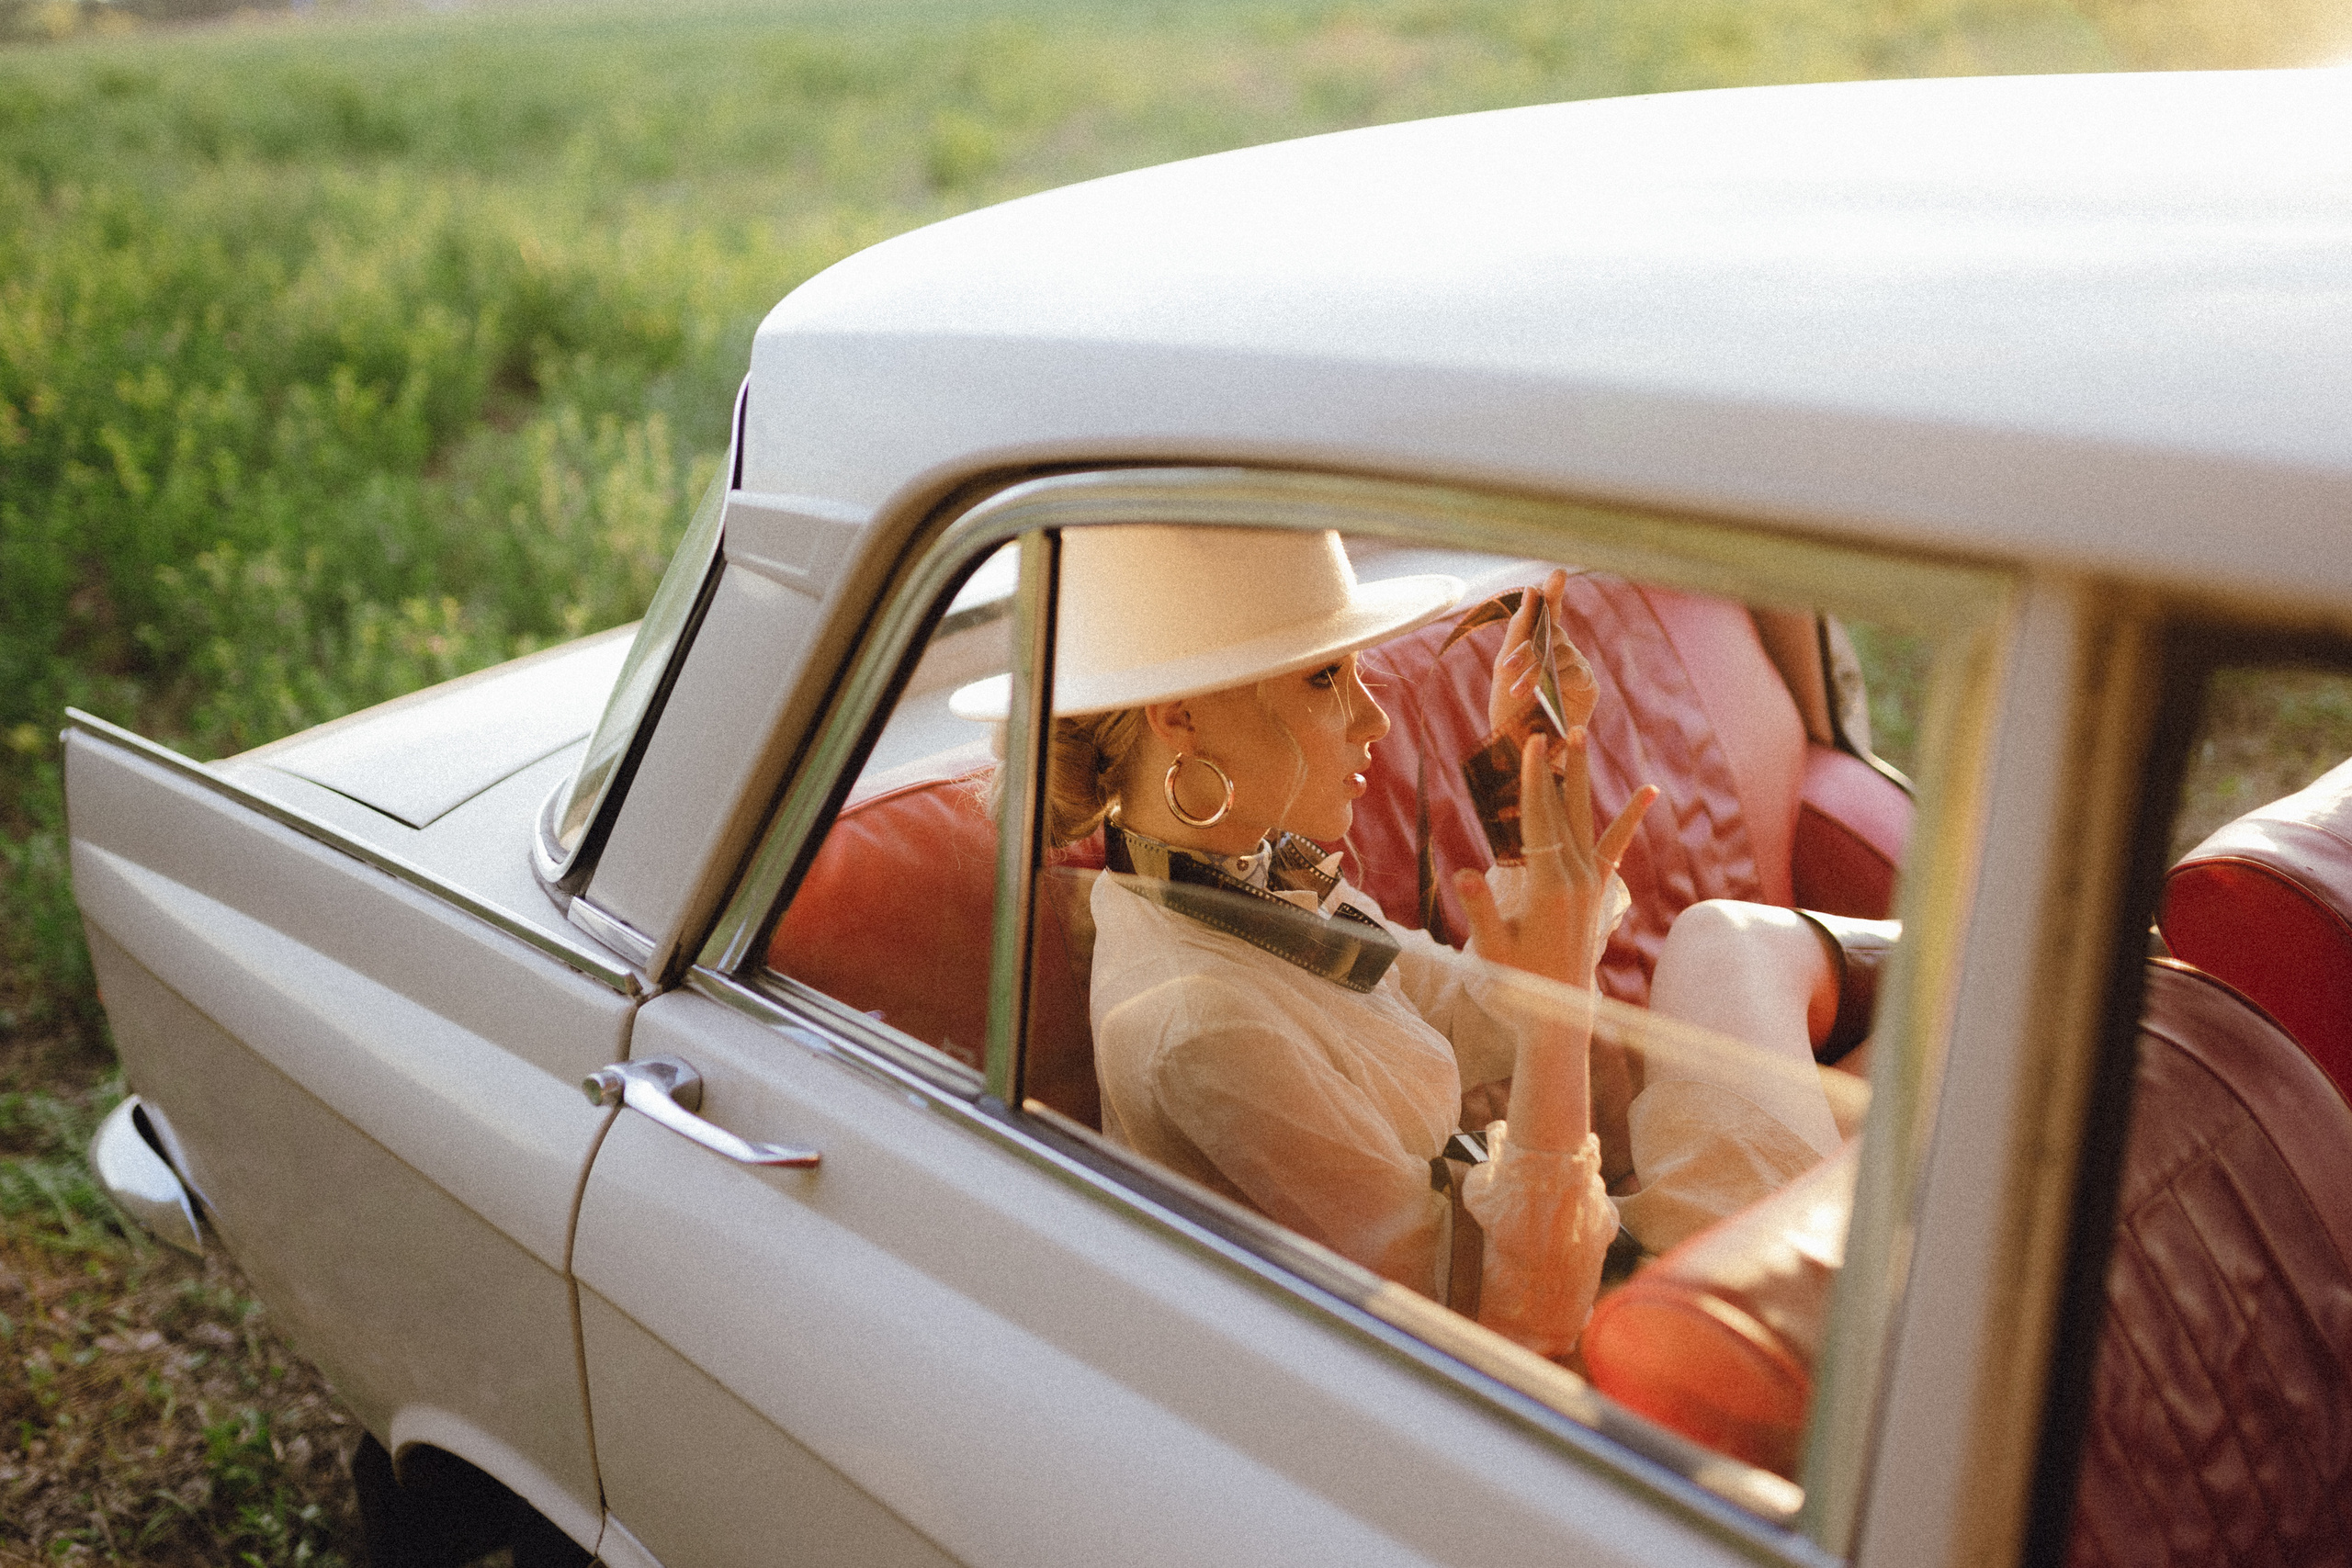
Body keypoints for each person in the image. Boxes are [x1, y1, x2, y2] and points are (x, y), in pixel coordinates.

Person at [956, 525, 1844, 1355]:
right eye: (1325, 678)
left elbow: (1466, 1013)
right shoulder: (1200, 1028)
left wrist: (1530, 762)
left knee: (1736, 951)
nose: (1374, 720)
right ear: (1179, 716)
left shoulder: (1222, 885)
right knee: (1734, 946)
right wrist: (1559, 1002)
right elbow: (1520, 1318)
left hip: (1589, 1254)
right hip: (1612, 1335)